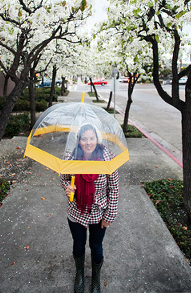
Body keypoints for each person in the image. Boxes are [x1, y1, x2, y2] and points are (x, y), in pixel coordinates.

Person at [61, 123, 119, 293]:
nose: (88, 142)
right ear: (79, 141)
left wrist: (109, 215)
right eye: (84, 138)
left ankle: (95, 278)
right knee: (78, 245)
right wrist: (67, 187)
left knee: (96, 246)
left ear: (97, 139)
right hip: (76, 211)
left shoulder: (108, 158)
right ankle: (79, 273)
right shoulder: (72, 158)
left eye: (92, 138)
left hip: (98, 213)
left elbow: (113, 189)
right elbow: (63, 177)